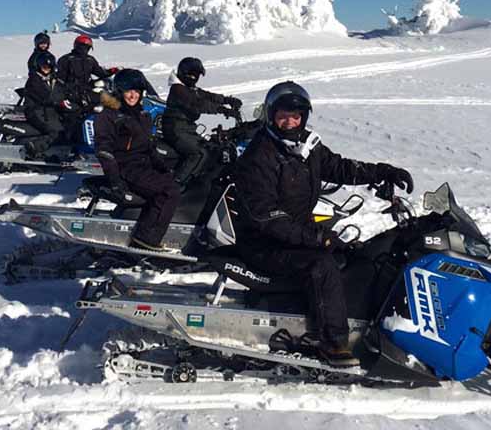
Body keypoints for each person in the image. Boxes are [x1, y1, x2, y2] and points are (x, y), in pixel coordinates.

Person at [232, 81, 414, 368]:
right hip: (263, 242)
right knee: (322, 265)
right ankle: (332, 344)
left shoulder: (305, 147)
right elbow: (267, 216)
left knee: (354, 256)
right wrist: (316, 237)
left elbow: (339, 167)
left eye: (296, 115)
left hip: (294, 235)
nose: (289, 121)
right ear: (270, 114)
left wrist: (382, 172)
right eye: (283, 114)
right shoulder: (260, 155)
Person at [94, 69, 180, 251]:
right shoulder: (109, 116)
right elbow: (104, 150)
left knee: (177, 182)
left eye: (137, 91)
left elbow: (149, 147)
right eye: (128, 91)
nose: (133, 95)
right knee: (169, 191)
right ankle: (146, 240)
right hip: (127, 169)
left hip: (143, 166)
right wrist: (115, 181)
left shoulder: (142, 115)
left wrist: (164, 167)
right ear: (119, 91)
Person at [162, 57, 243, 185]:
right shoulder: (178, 89)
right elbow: (198, 104)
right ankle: (176, 185)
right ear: (184, 73)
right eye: (193, 74)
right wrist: (223, 110)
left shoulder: (189, 88)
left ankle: (198, 182)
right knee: (198, 153)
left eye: (197, 75)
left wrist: (227, 100)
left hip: (185, 128)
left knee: (210, 148)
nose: (195, 77)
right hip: (175, 129)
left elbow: (207, 96)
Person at [22, 51, 71, 159]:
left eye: (49, 66)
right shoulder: (34, 80)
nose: (46, 68)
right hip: (35, 111)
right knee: (55, 132)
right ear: (39, 66)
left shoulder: (54, 79)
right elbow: (44, 96)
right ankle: (33, 147)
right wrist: (58, 102)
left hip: (49, 111)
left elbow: (63, 90)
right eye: (44, 66)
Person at [57, 35, 119, 114]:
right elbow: (59, 80)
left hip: (87, 90)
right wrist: (63, 95)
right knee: (76, 112)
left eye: (87, 47)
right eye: (83, 47)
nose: (85, 50)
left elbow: (100, 72)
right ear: (77, 46)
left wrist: (112, 71)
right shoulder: (66, 59)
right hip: (71, 93)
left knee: (112, 102)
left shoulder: (90, 60)